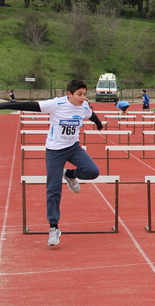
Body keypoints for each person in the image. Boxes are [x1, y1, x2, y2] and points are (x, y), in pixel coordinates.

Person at [0, 79, 103, 246]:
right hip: (55, 151)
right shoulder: (56, 104)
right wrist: (3, 106)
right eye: (79, 94)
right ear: (69, 94)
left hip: (74, 148)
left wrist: (98, 124)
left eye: (85, 94)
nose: (83, 97)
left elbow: (92, 115)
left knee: (93, 172)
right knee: (53, 189)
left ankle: (70, 174)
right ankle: (54, 227)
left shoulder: (84, 106)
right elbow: (30, 106)